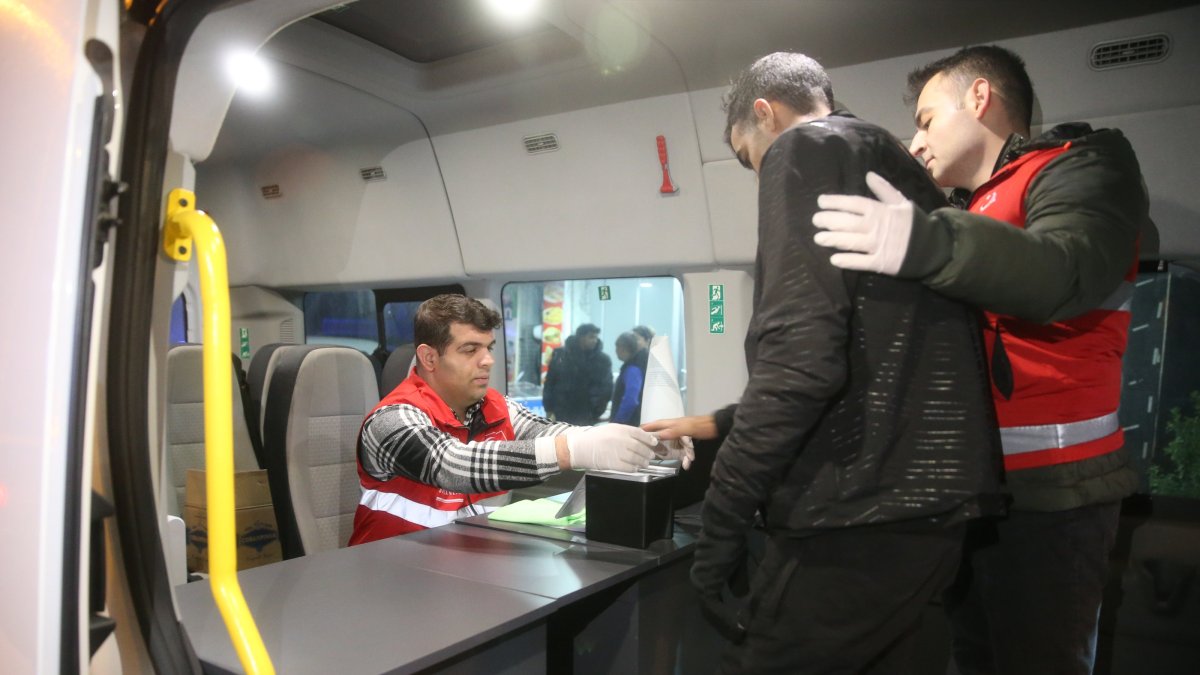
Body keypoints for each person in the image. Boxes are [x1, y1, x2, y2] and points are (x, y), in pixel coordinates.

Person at [645, 52, 1003, 673]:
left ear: (766, 112)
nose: (755, 173)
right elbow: (867, 355)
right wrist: (717, 423)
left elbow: (802, 359)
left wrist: (720, 526)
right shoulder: (900, 171)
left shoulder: (803, 149)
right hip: (930, 512)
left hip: (853, 516)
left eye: (745, 154)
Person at [810, 45, 1145, 674]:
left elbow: (1062, 271)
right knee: (971, 658)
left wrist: (927, 241)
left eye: (928, 119)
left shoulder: (1082, 167)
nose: (916, 143)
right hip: (969, 487)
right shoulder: (961, 212)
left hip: (1054, 491)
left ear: (980, 99)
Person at [350, 295, 659, 544]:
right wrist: (573, 450)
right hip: (395, 576)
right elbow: (451, 465)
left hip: (468, 573)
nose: (488, 360)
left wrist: (645, 442)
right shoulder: (391, 420)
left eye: (489, 348)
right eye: (470, 350)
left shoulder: (497, 408)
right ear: (430, 358)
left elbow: (551, 432)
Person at [542, 323, 613, 425]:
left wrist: (597, 409)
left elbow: (606, 388)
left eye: (596, 337)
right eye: (591, 337)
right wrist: (548, 407)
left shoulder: (602, 360)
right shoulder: (561, 356)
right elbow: (550, 382)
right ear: (580, 337)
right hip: (562, 411)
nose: (595, 340)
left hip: (588, 413)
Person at [610, 332, 647, 425]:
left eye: (617, 347)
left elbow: (631, 400)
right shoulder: (632, 366)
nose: (616, 351)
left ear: (623, 348)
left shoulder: (632, 369)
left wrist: (617, 422)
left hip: (628, 425)